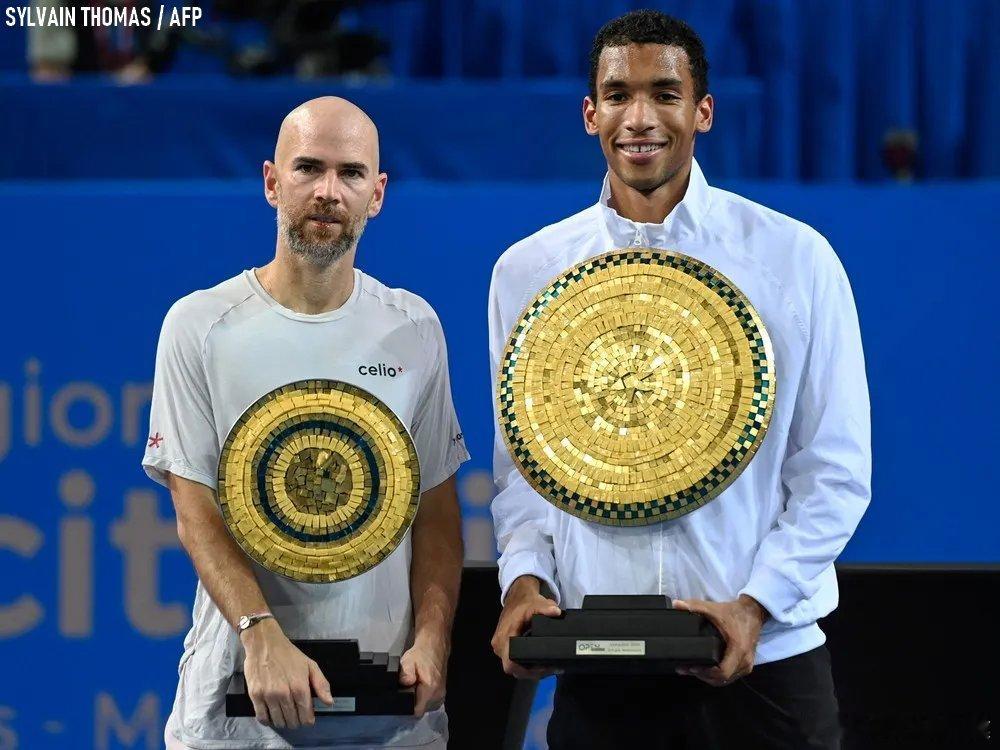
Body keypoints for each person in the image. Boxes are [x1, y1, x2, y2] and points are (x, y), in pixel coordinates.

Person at [488, 10, 870, 749]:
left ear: (703, 111)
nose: (640, 118)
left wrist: (753, 607)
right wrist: (525, 586)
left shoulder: (797, 259)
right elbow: (525, 476)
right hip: (600, 667)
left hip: (766, 665)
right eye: (618, 95)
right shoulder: (527, 271)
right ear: (590, 113)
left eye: (665, 94)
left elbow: (834, 471)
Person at [142, 96, 468, 750]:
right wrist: (259, 633)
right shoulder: (198, 325)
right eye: (308, 168)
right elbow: (195, 510)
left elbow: (435, 511)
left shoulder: (414, 327)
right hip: (239, 709)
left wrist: (433, 639)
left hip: (391, 710)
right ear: (272, 182)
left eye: (351, 174)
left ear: (377, 194)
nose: (328, 192)